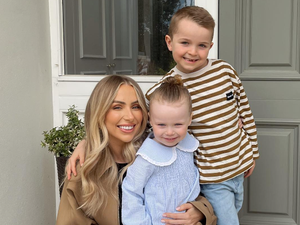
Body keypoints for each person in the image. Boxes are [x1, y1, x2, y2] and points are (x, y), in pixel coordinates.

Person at [145, 6, 259, 225]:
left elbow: (245, 112)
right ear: (169, 42)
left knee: (231, 213)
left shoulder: (225, 71)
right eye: (185, 43)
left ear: (210, 46)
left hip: (240, 166)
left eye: (202, 45)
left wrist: (252, 152)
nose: (193, 52)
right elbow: (146, 121)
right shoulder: (168, 87)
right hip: (212, 176)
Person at [59, 75, 217, 225]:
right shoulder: (84, 170)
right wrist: (87, 143)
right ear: (100, 113)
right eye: (117, 107)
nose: (129, 116)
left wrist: (199, 213)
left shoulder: (161, 147)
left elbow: (191, 190)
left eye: (135, 106)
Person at [122, 75, 201, 225]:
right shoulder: (147, 158)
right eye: (161, 125)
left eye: (178, 124)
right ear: (150, 119)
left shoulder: (189, 147)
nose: (170, 132)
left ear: (190, 119)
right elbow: (131, 192)